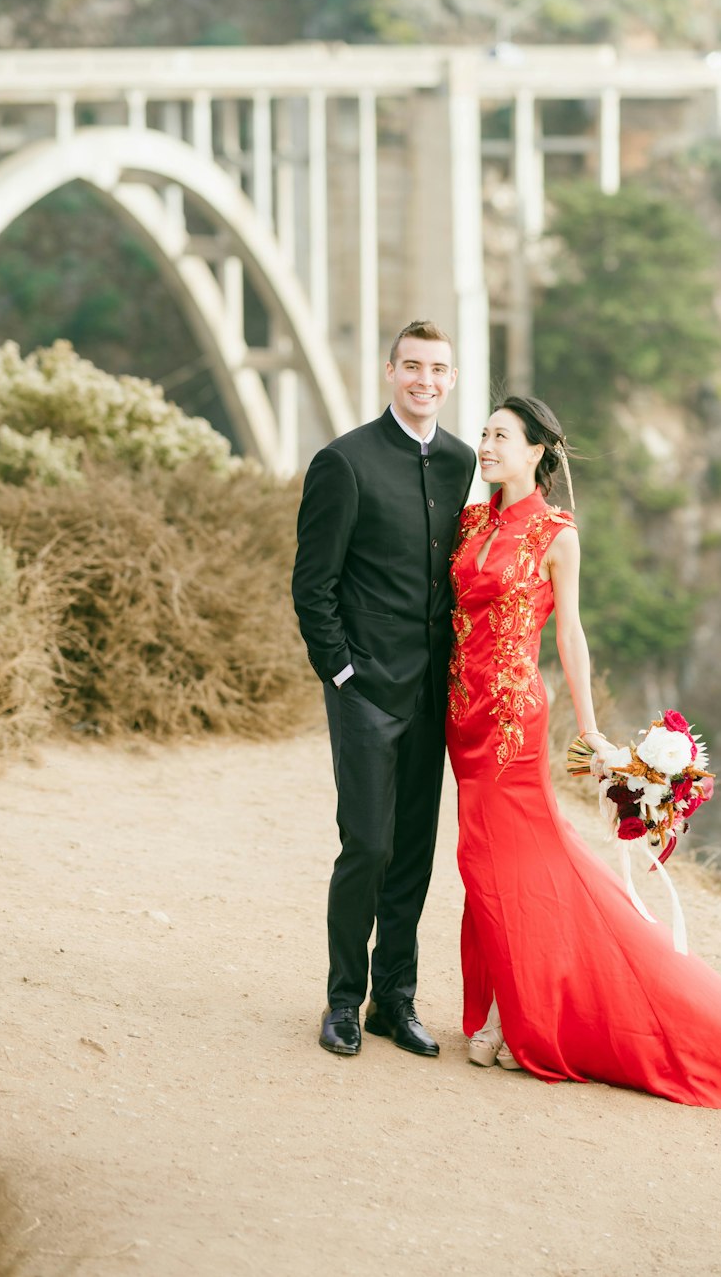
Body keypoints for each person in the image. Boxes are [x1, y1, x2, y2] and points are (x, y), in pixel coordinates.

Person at [445, 395, 721, 1120]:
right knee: (484, 865)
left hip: (511, 726)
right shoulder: (472, 521)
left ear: (537, 451)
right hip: (460, 723)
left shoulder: (557, 533)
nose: (487, 444)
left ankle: (520, 1018)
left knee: (506, 868)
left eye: (501, 436)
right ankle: (507, 1007)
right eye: (485, 435)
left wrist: (590, 729)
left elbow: (570, 635)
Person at [292, 320, 476, 1059]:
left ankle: (392, 1001)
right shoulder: (345, 461)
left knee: (413, 852)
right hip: (366, 687)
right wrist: (342, 671)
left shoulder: (466, 463)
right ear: (389, 372)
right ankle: (341, 999)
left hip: (435, 692)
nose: (424, 379)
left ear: (451, 380)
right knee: (366, 844)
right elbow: (313, 585)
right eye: (412, 367)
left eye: (438, 369)